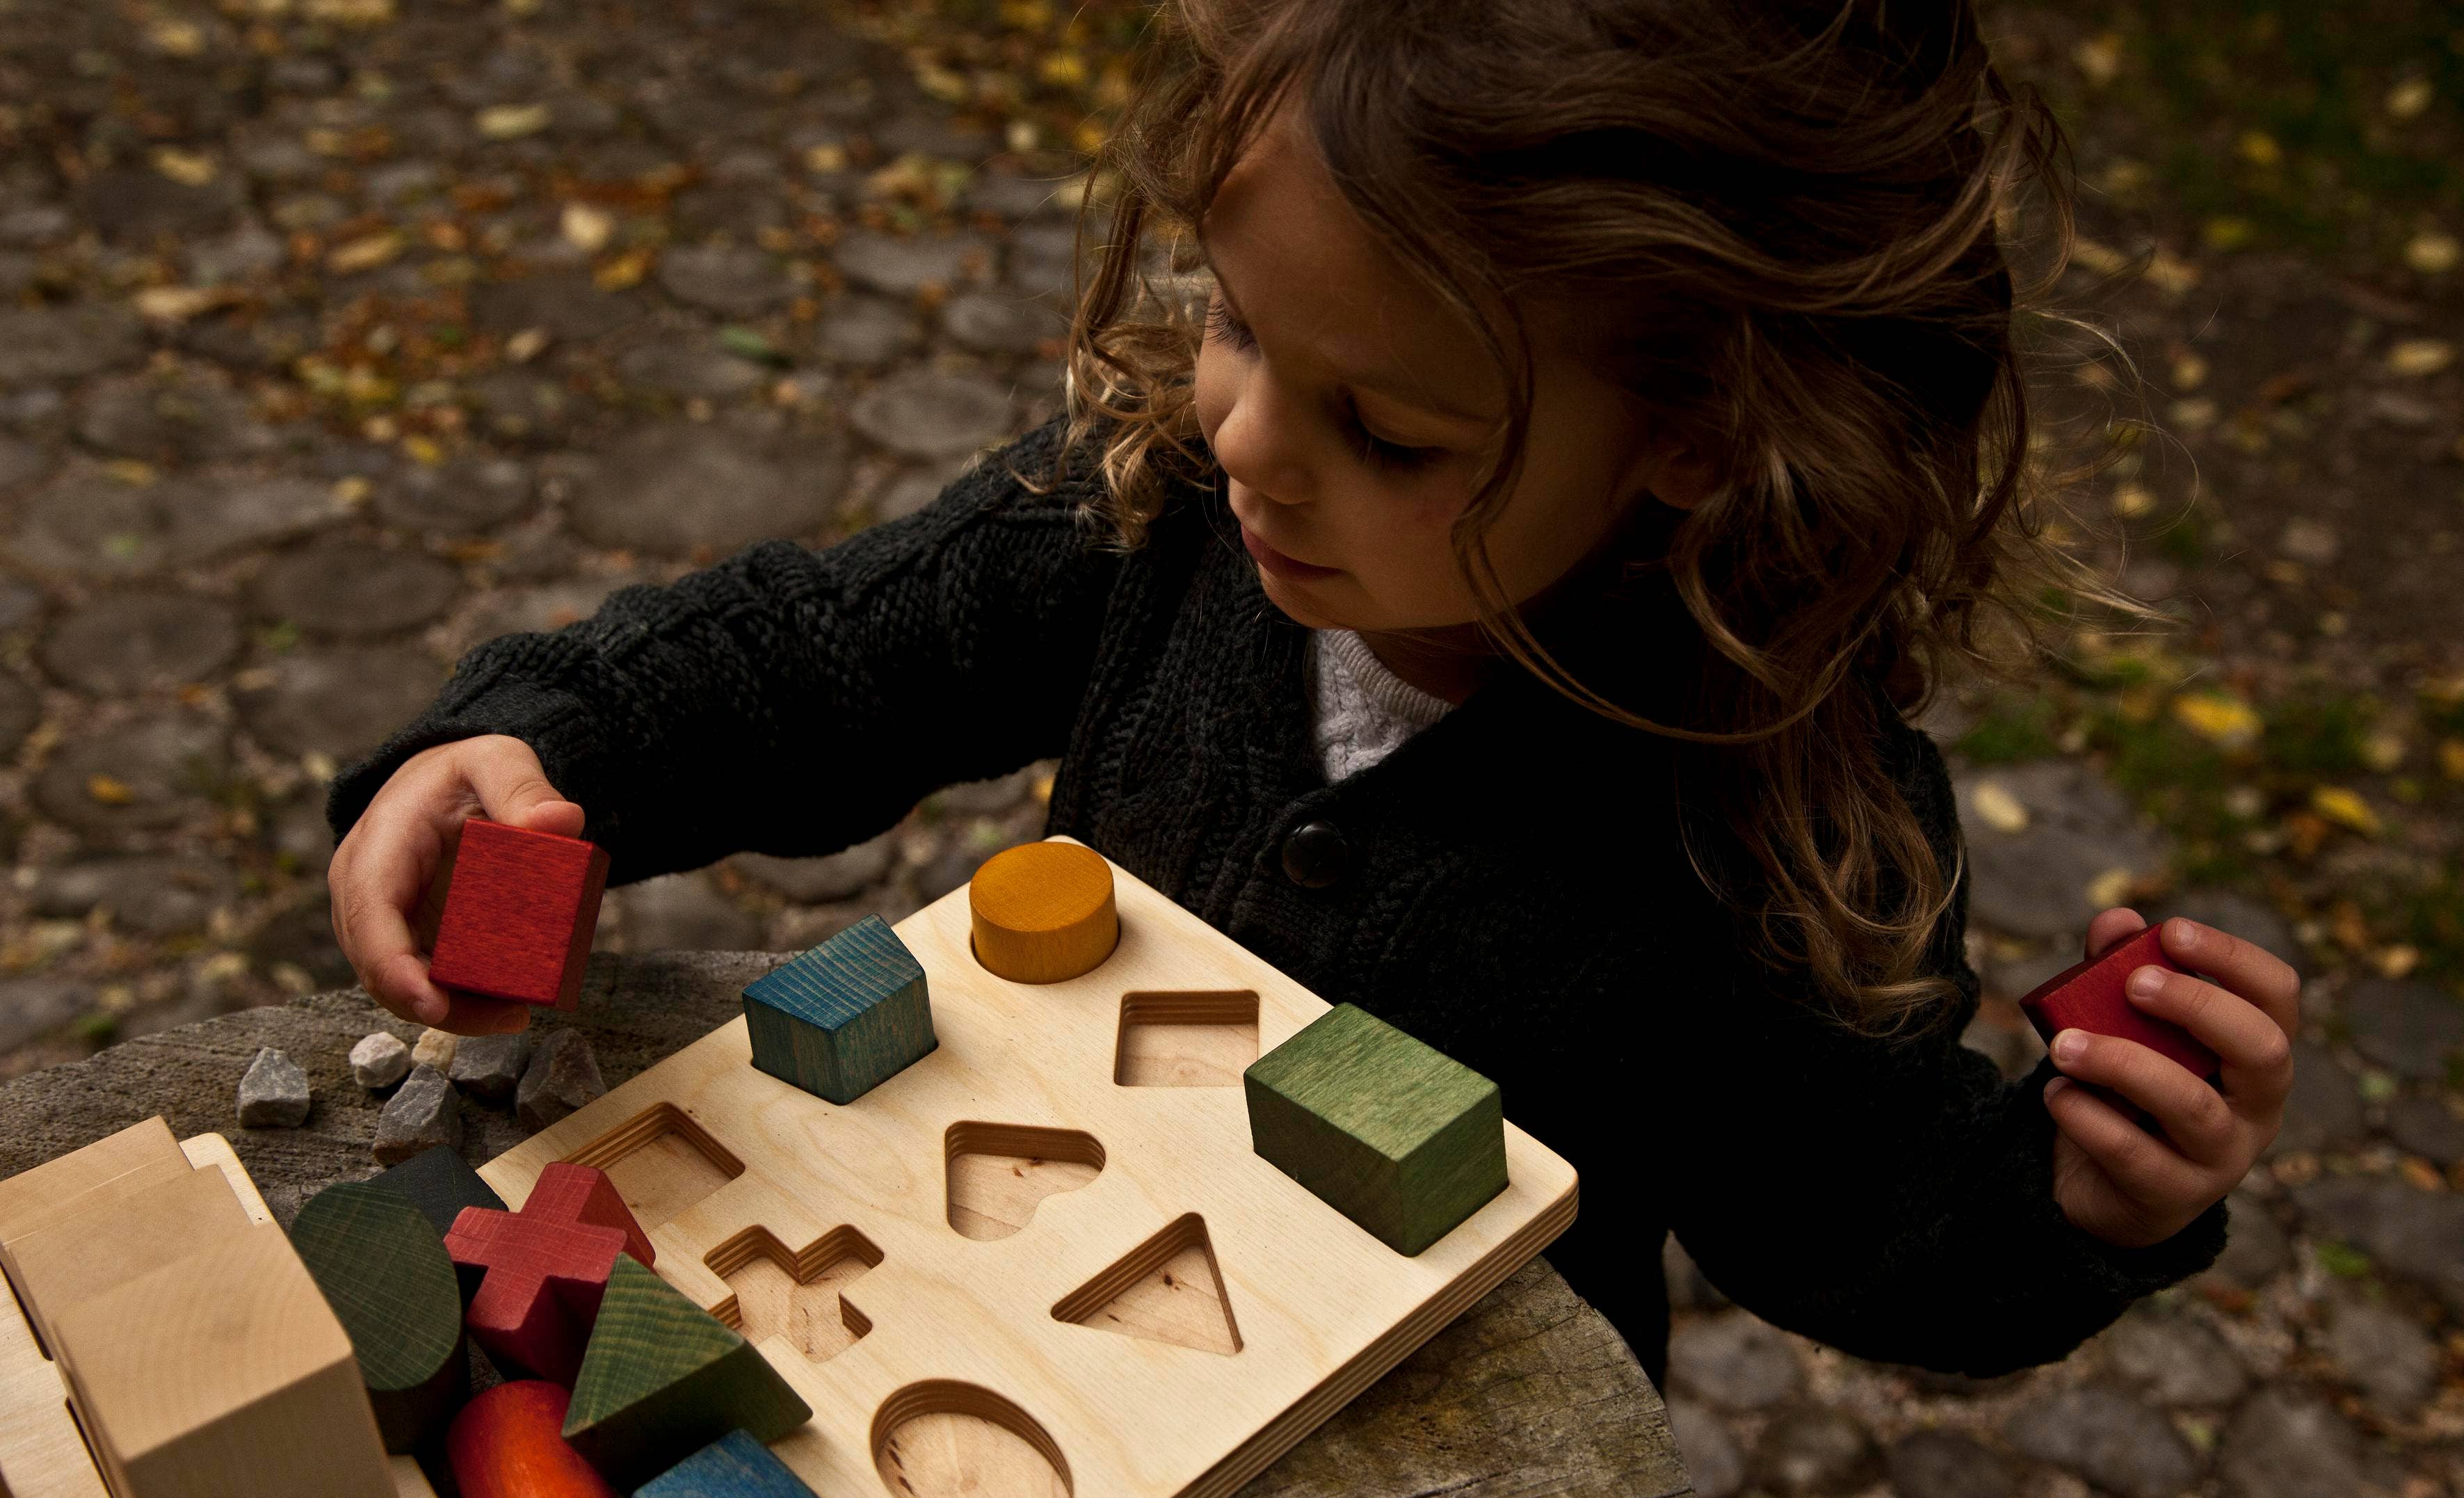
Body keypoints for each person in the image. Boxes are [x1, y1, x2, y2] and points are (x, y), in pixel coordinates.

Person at [327, 0, 2295, 1385]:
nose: (1251, 439)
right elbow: (819, 657)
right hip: (994, 1310)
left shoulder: (1770, 820)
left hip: (1427, 1461)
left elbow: (1844, 1211)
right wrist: (536, 744)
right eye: (1241, 323)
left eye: (1391, 429)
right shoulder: (1158, 506)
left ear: (1697, 436)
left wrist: (2075, 1205)